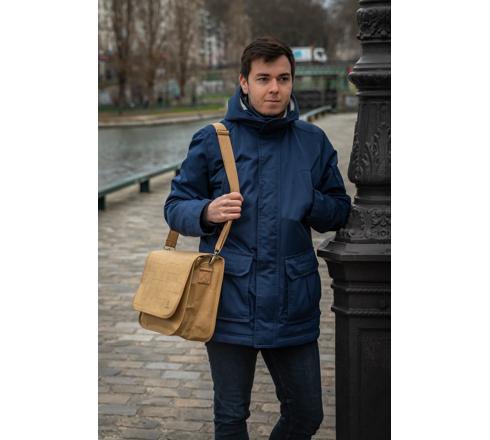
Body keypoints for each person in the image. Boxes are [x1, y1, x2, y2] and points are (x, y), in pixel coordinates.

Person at [164, 36, 351, 440]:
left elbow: (339, 209)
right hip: (227, 302)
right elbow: (175, 205)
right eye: (264, 78)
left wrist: (310, 200)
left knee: (306, 414)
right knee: (231, 417)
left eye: (283, 78)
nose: (275, 88)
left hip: (293, 302)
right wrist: (206, 212)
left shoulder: (313, 142)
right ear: (244, 82)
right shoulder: (212, 139)